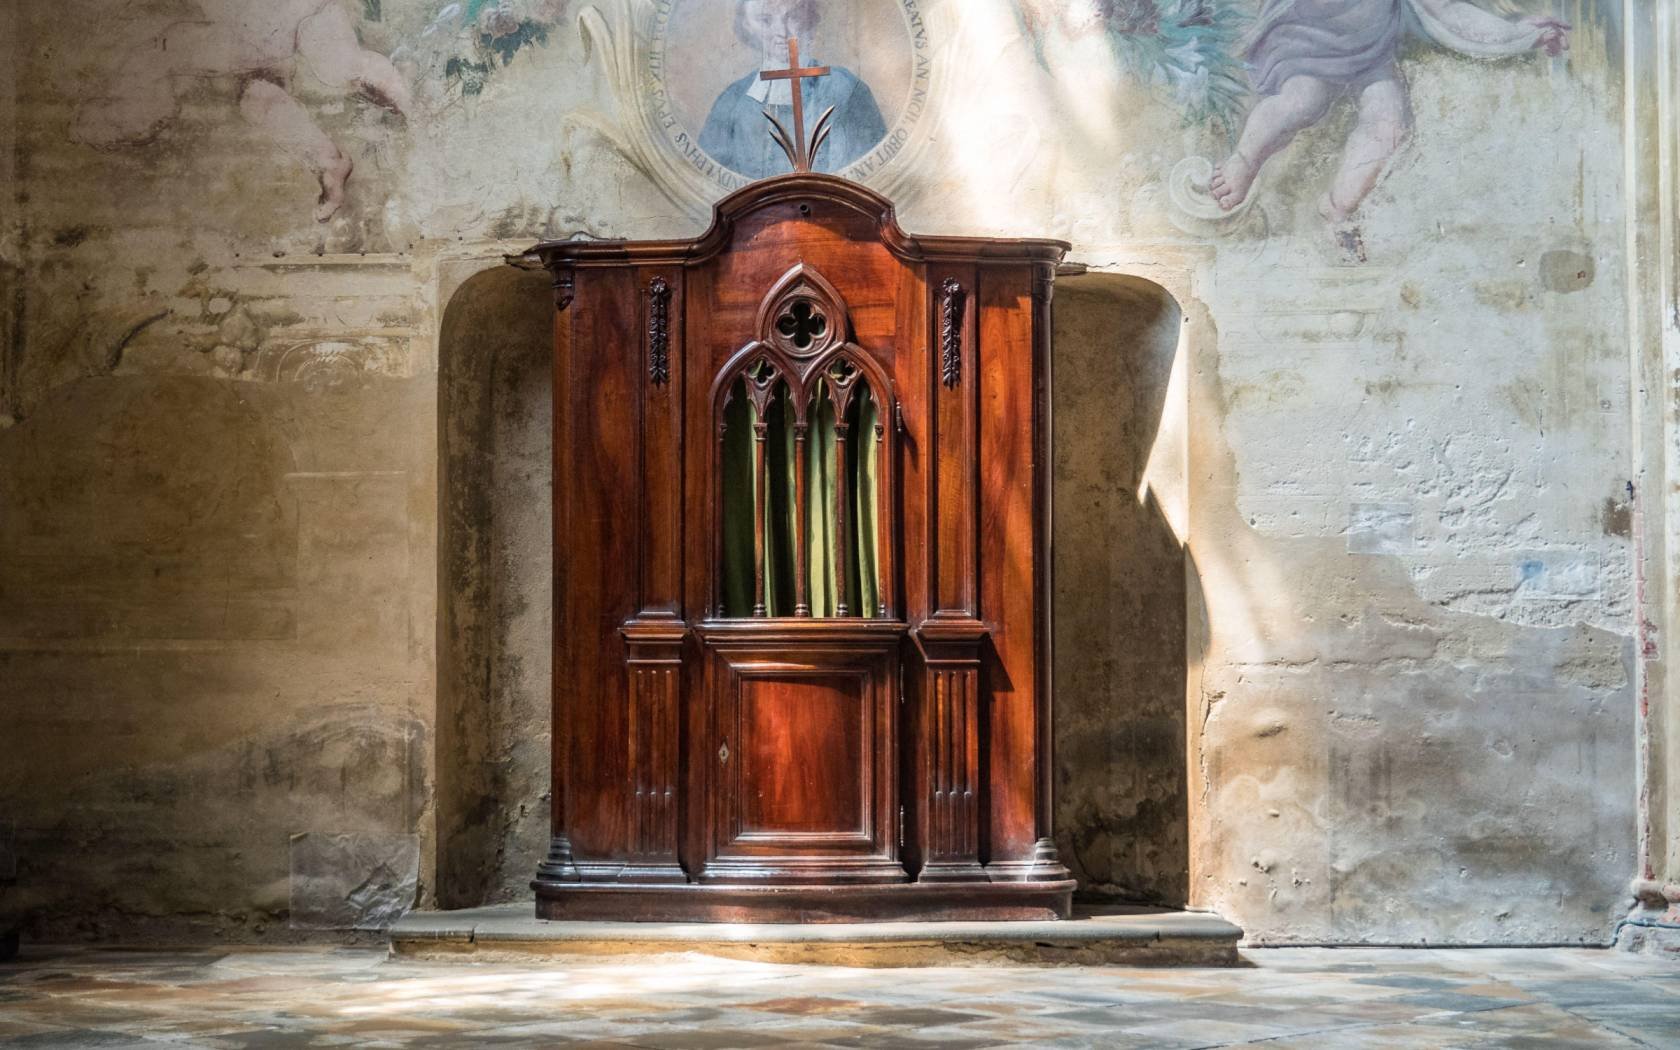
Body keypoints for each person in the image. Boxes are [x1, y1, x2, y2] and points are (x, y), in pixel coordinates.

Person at [1210, 0, 1570, 223]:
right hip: (1305, 41)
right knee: (1303, 100)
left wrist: (1517, 34)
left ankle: (1338, 209)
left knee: (1389, 126)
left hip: (1371, 51)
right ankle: (1244, 159)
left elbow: (1451, 12)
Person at [73, 0, 412, 222]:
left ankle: (410, 114)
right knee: (266, 92)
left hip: (267, 21)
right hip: (289, 15)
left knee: (172, 51)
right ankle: (332, 162)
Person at [698, 0, 888, 179]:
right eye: (766, 20)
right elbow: (711, 180)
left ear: (809, 20)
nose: (781, 31)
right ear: (747, 26)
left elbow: (868, 174)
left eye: (793, 17)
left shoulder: (845, 88)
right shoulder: (733, 100)